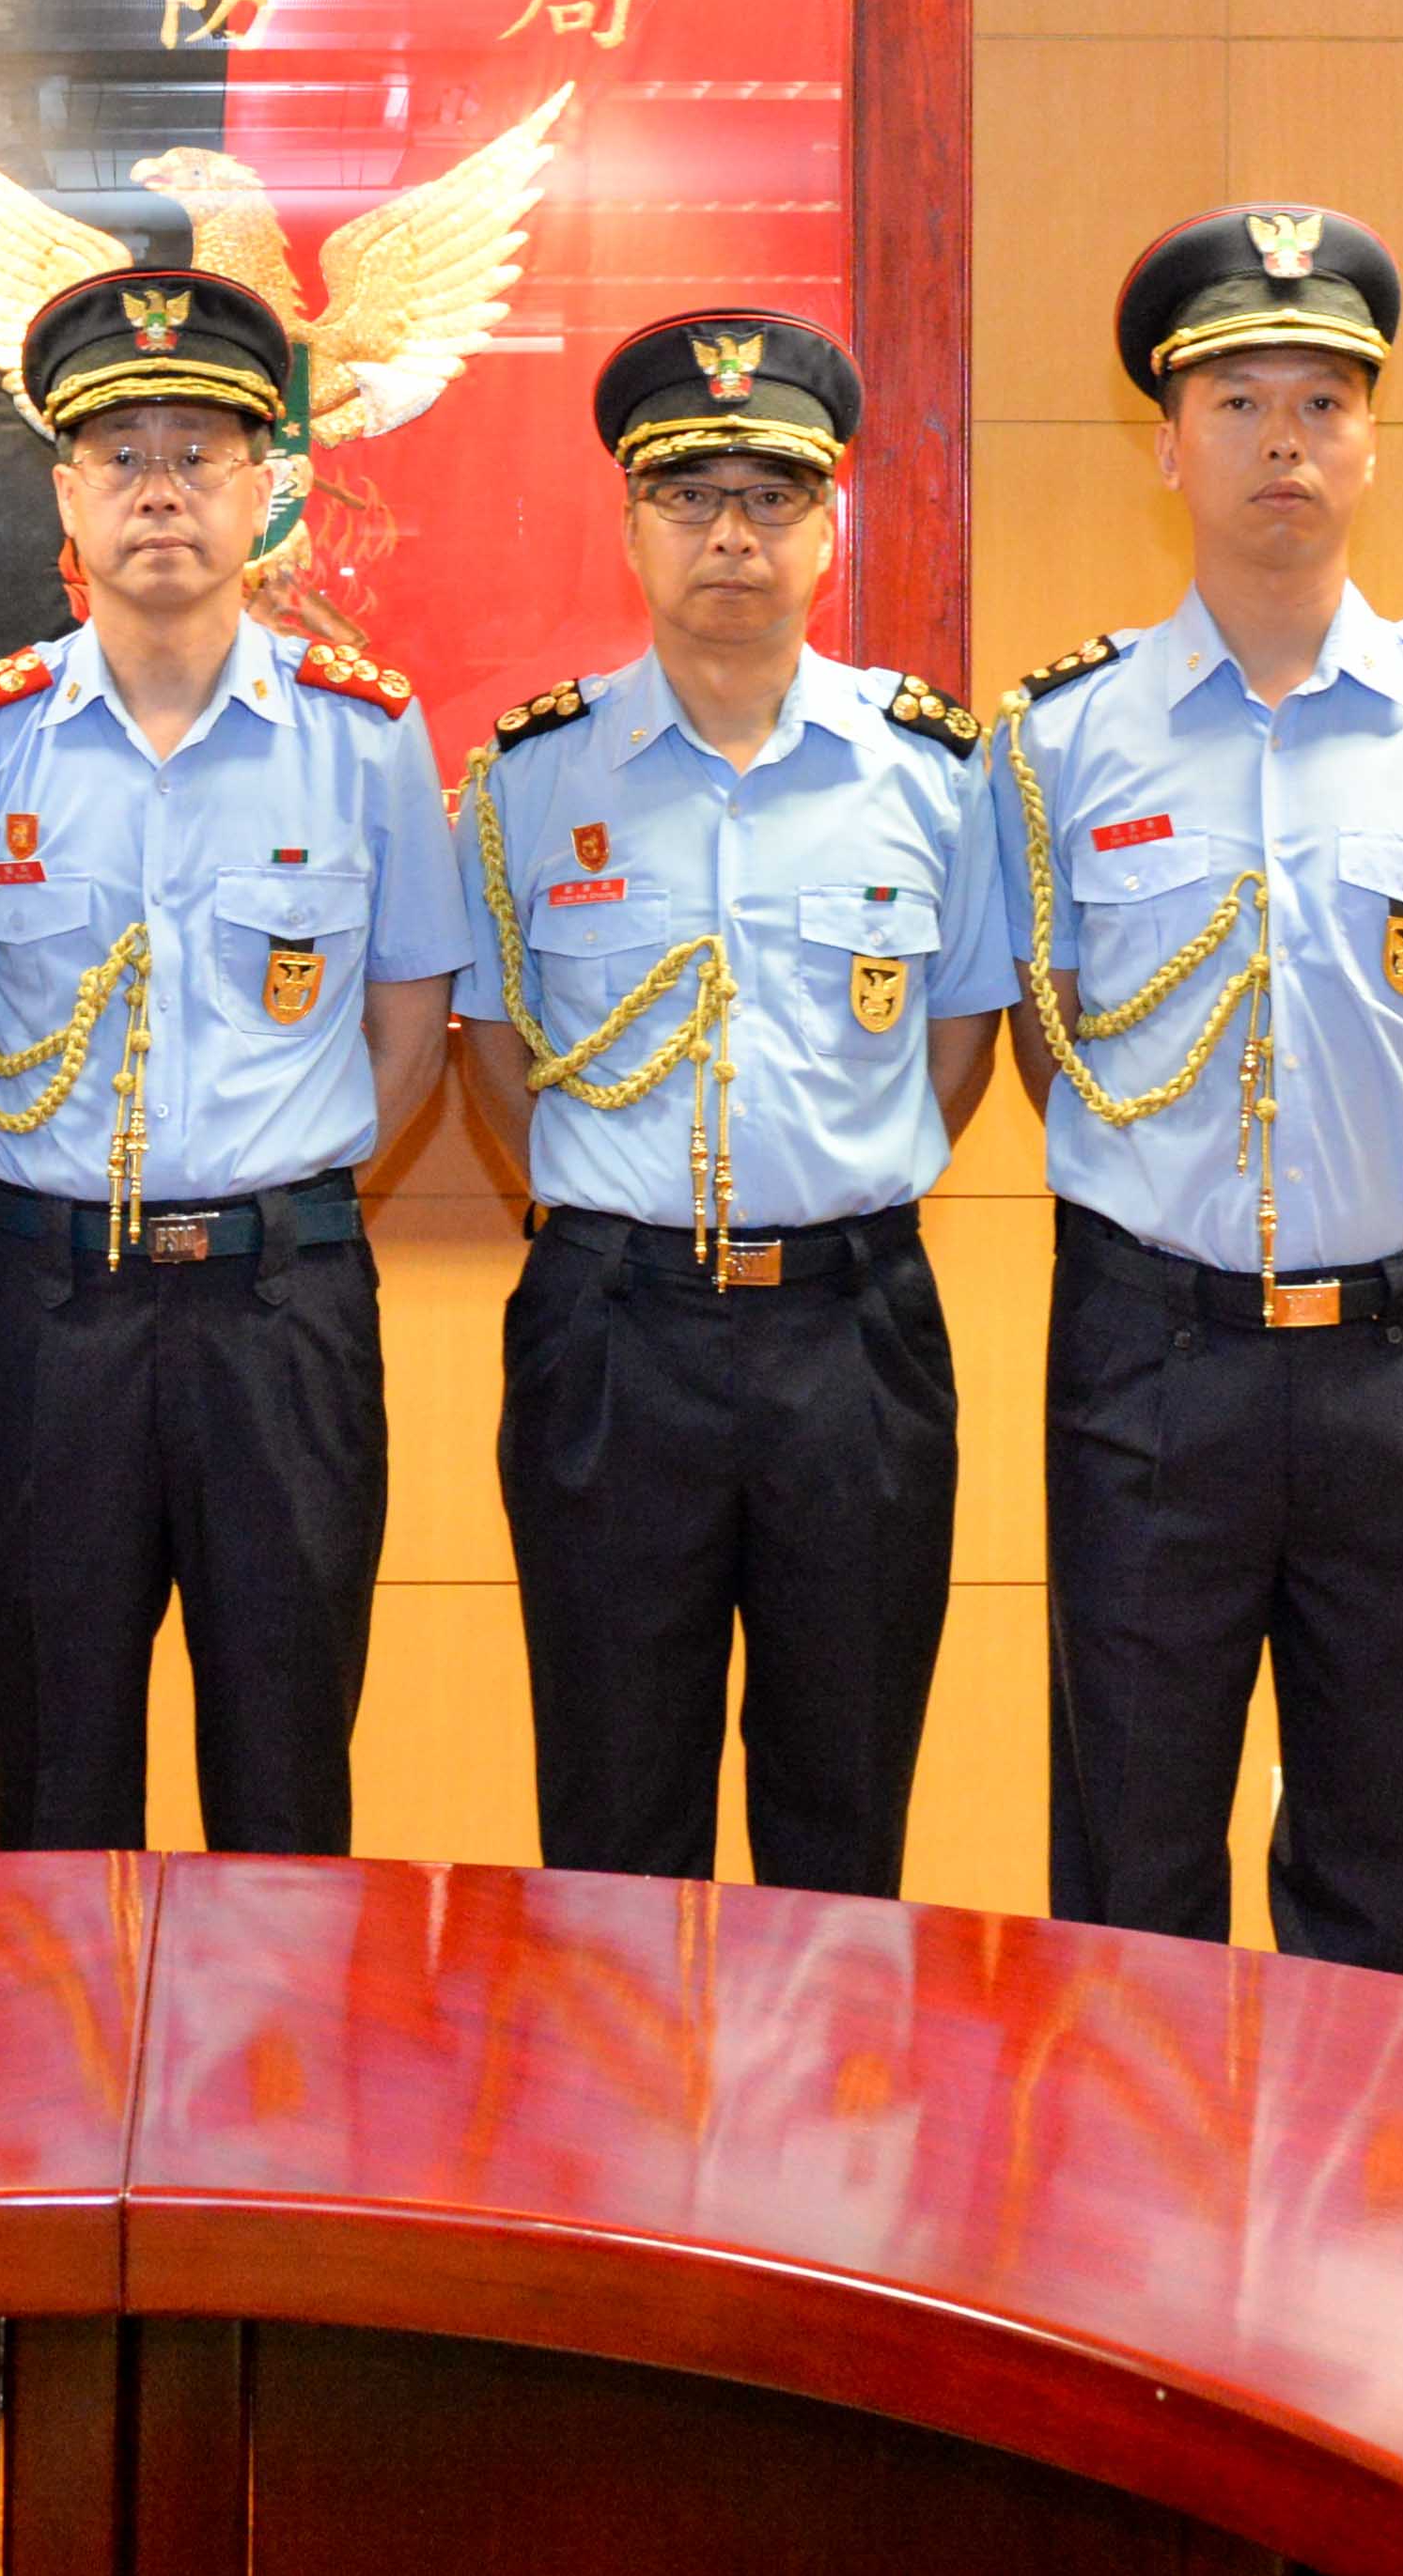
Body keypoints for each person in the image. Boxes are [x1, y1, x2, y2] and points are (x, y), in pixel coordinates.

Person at [976, 203, 1403, 1977]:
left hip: (1397, 1349)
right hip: (1149, 1347)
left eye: (1323, 401)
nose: (1282, 441)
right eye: (1236, 402)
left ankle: (1369, 2170)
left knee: (1390, 1835)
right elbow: (1049, 1040)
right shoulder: (1056, 737)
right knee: (1132, 1836)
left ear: (1371, 440)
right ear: (1165, 446)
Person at [0, 268, 475, 1855]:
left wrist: (271, 1181)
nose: (159, 490)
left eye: (199, 454)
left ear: (267, 488)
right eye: (120, 455)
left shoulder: (363, 735)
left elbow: (407, 1025)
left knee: (285, 1767)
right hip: (52, 1303)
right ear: (64, 495)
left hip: (284, 1306)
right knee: (54, 1764)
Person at [454, 309, 1003, 1895]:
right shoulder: (528, 781)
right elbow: (496, 1053)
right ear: (629, 524)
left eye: (771, 497)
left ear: (830, 526)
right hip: (613, 1331)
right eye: (688, 497)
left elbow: (956, 1042)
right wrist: (619, 1211)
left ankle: (821, 2076)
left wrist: (829, 1181)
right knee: (615, 1809)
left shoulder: (931, 774)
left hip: (853, 1331)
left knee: (843, 1802)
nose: (731, 536)